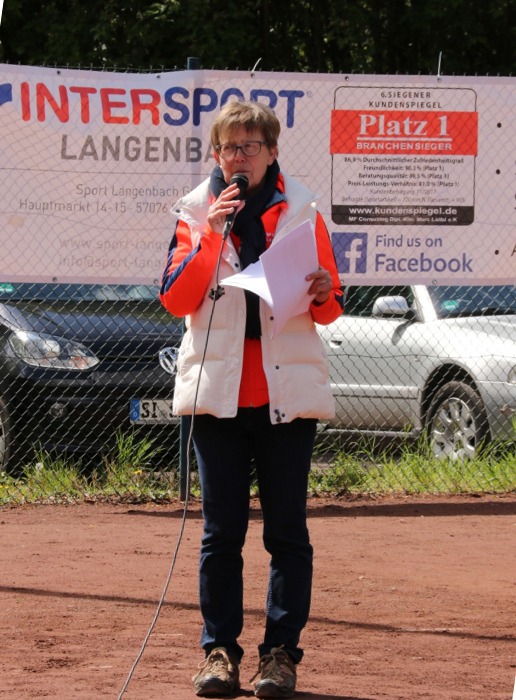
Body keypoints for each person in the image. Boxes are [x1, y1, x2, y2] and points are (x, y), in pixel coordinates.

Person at [159, 100, 342, 698]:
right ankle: (219, 653)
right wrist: (211, 236)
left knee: (287, 532)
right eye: (229, 148)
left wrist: (323, 291)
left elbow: (330, 306)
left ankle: (280, 656)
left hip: (285, 395)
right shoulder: (195, 214)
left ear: (271, 152)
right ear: (216, 155)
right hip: (220, 398)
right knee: (222, 533)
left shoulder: (304, 212)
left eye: (251, 147)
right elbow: (176, 299)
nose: (239, 157)